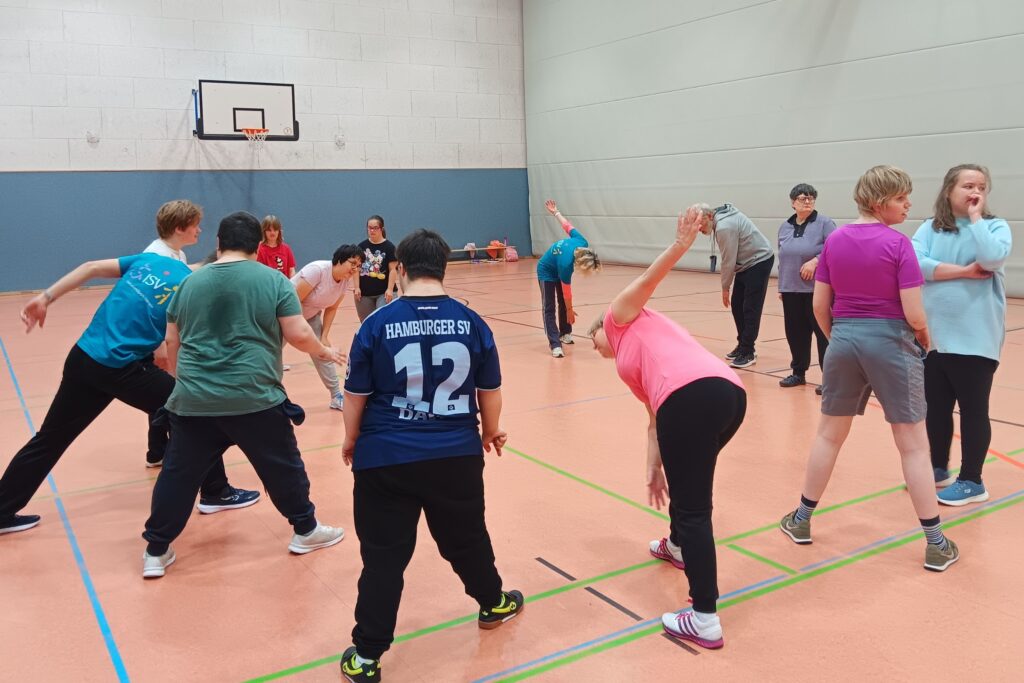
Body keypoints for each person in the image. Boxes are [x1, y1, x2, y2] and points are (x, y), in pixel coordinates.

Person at [339, 229, 522, 682]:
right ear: (445, 267)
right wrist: (492, 430)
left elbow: (355, 394)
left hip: (384, 456)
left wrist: (350, 439)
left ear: (400, 268)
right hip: (454, 455)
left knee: (383, 557)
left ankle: (366, 657)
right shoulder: (473, 322)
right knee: (467, 539)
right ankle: (492, 603)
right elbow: (490, 390)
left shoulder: (375, 324)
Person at [141, 211, 346, 578]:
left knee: (177, 474)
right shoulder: (274, 281)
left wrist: (182, 382)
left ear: (218, 244)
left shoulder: (189, 282)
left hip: (194, 400)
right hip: (254, 396)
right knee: (283, 466)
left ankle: (156, 550)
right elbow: (299, 334)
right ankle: (305, 530)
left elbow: (170, 342)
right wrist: (324, 351)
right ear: (257, 245)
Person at [779, 165, 959, 572]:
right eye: (901, 198)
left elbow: (819, 307)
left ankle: (801, 519)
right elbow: (914, 313)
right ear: (880, 203)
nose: (908, 204)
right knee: (912, 443)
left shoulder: (835, 241)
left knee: (829, 435)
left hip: (843, 340)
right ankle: (935, 543)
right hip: (891, 342)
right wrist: (924, 338)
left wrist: (840, 339)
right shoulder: (899, 246)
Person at [0, 252, 257, 536]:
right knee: (196, 414)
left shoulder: (154, 260)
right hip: (121, 367)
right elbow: (175, 346)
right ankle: (216, 492)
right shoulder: (192, 290)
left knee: (49, 438)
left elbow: (91, 266)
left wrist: (45, 297)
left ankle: (1, 511)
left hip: (84, 357)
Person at [588, 207, 746, 650]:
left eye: (592, 338)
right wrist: (655, 470)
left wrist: (680, 245)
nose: (594, 347)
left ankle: (704, 617)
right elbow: (655, 422)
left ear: (603, 327)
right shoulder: (635, 359)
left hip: (691, 399)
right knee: (688, 490)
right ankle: (676, 546)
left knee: (695, 509)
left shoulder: (619, 319)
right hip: (728, 396)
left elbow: (647, 282)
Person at [912, 164, 1012, 505]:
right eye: (969, 185)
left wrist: (976, 219)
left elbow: (992, 257)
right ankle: (938, 468)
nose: (976, 192)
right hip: (935, 337)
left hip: (975, 339)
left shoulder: (995, 227)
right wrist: (965, 272)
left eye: (982, 187)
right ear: (948, 190)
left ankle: (973, 481)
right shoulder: (928, 228)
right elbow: (915, 263)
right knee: (936, 408)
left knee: (973, 410)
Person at [142, 199, 204, 465]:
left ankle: (157, 451)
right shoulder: (156, 256)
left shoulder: (177, 254)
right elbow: (148, 304)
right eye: (195, 226)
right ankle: (169, 451)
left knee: (162, 395)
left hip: (166, 336)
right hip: (155, 340)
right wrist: (160, 346)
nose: (199, 231)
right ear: (180, 228)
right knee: (169, 394)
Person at [696, 203, 774, 369]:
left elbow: (728, 260)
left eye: (700, 224)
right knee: (737, 305)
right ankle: (742, 344)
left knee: (750, 308)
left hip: (759, 260)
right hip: (745, 263)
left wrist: (725, 287)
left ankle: (748, 351)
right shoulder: (719, 221)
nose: (698, 229)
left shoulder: (724, 227)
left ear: (709, 217)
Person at [776, 184, 837, 391]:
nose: (808, 201)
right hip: (790, 289)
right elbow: (782, 256)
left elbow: (835, 250)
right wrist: (781, 285)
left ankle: (829, 379)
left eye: (811, 198)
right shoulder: (785, 227)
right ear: (793, 202)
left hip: (817, 290)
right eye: (803, 198)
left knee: (823, 335)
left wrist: (815, 261)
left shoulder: (825, 223)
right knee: (795, 333)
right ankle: (798, 373)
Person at [291, 246, 364, 410]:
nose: (355, 269)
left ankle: (336, 396)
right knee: (271, 352)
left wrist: (324, 336)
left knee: (323, 352)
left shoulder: (345, 281)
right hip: (284, 314)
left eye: (358, 266)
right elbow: (293, 300)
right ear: (339, 260)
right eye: (352, 263)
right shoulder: (317, 270)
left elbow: (331, 308)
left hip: (310, 316)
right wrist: (298, 330)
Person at [537, 199, 601, 358]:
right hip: (546, 270)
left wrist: (556, 212)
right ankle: (555, 344)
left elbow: (567, 226)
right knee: (549, 307)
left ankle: (565, 333)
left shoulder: (582, 241)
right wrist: (570, 311)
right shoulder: (566, 266)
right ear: (579, 263)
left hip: (557, 264)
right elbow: (567, 294)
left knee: (563, 303)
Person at [353, 215, 398, 322]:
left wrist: (390, 289)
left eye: (375, 228)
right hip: (364, 294)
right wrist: (356, 287)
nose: (372, 230)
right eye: (370, 228)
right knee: (367, 324)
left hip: (383, 293)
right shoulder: (361, 246)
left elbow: (393, 270)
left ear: (381, 229)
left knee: (383, 322)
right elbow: (357, 269)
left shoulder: (389, 247)